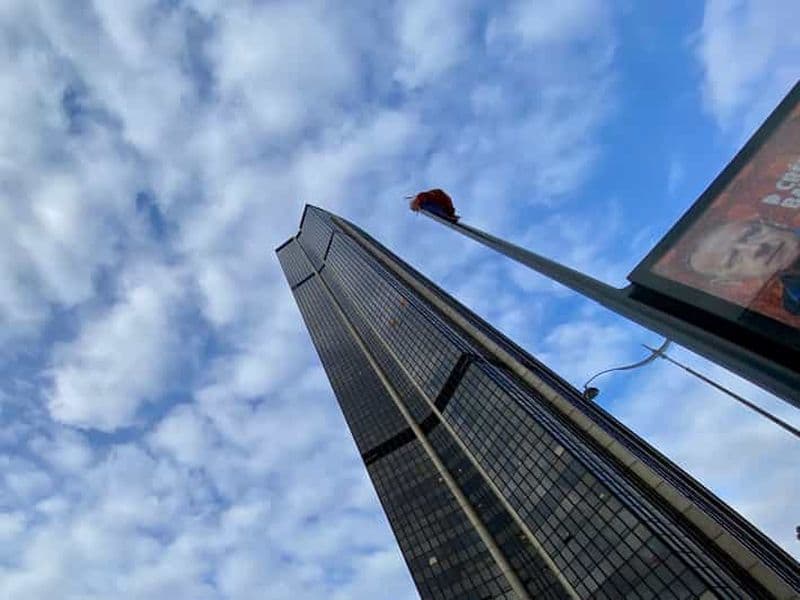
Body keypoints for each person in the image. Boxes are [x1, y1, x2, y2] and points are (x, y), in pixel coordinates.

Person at [688, 219, 800, 315]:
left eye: (751, 234)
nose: (756, 248)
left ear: (770, 223)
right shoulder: (794, 305)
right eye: (734, 258)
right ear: (730, 281)